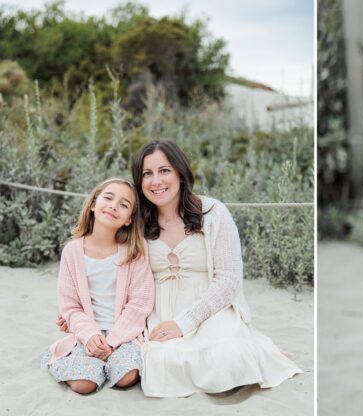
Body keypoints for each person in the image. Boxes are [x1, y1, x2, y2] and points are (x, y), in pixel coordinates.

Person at [130, 139, 301, 397]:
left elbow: (229, 279)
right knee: (162, 363)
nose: (156, 181)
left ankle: (255, 347)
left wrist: (184, 323)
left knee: (228, 359)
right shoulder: (137, 222)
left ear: (180, 172)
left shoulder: (213, 212)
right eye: (147, 174)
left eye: (164, 170)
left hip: (209, 308)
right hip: (160, 310)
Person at [43, 177, 154, 394]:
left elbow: (139, 305)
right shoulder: (72, 252)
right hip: (88, 333)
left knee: (126, 375)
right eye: (108, 198)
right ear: (94, 204)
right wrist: (90, 336)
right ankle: (79, 364)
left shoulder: (135, 254)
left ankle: (106, 365)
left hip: (123, 335)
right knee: (84, 385)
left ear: (129, 219)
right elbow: (70, 307)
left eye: (124, 204)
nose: (113, 206)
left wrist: (111, 342)